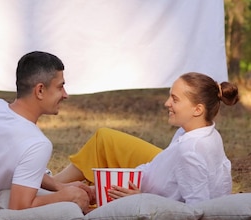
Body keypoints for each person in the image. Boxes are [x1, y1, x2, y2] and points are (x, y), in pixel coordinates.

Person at [52, 72, 239, 205]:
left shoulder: (190, 151)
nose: (167, 103)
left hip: (145, 199)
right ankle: (52, 185)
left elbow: (196, 209)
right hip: (142, 189)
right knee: (104, 143)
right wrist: (113, 186)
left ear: (198, 109)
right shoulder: (189, 133)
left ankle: (49, 186)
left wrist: (140, 199)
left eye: (175, 99)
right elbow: (158, 168)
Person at [0, 51, 91, 213]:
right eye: (60, 86)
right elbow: (19, 206)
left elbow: (12, 161)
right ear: (40, 90)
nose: (65, 94)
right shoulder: (37, 144)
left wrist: (58, 186)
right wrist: (68, 196)